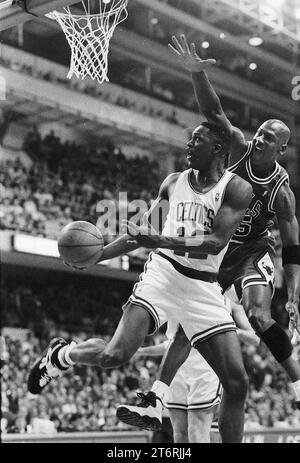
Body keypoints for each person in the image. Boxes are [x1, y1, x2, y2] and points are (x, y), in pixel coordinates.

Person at [27, 118, 254, 442]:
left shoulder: (236, 188)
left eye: (197, 140)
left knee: (237, 382)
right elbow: (140, 235)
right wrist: (97, 255)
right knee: (113, 356)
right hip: (163, 275)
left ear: (218, 148)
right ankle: (62, 356)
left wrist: (159, 240)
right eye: (189, 139)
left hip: (203, 286)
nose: (188, 145)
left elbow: (215, 242)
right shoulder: (173, 182)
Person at [117, 34, 300, 431]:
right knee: (189, 318)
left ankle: (298, 383)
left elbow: (292, 244)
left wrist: (296, 288)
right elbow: (213, 111)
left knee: (257, 314)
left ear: (280, 149)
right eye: (260, 132)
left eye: (268, 137)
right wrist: (198, 74)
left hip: (250, 249)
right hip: (219, 249)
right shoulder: (236, 148)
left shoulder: (282, 192)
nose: (258, 138)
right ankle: (157, 397)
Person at [135, 289, 260, 443]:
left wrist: (226, 329)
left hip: (207, 369)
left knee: (197, 431)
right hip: (176, 369)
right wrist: (140, 351)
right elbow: (170, 345)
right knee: (180, 433)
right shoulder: (174, 290)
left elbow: (255, 338)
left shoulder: (230, 301)